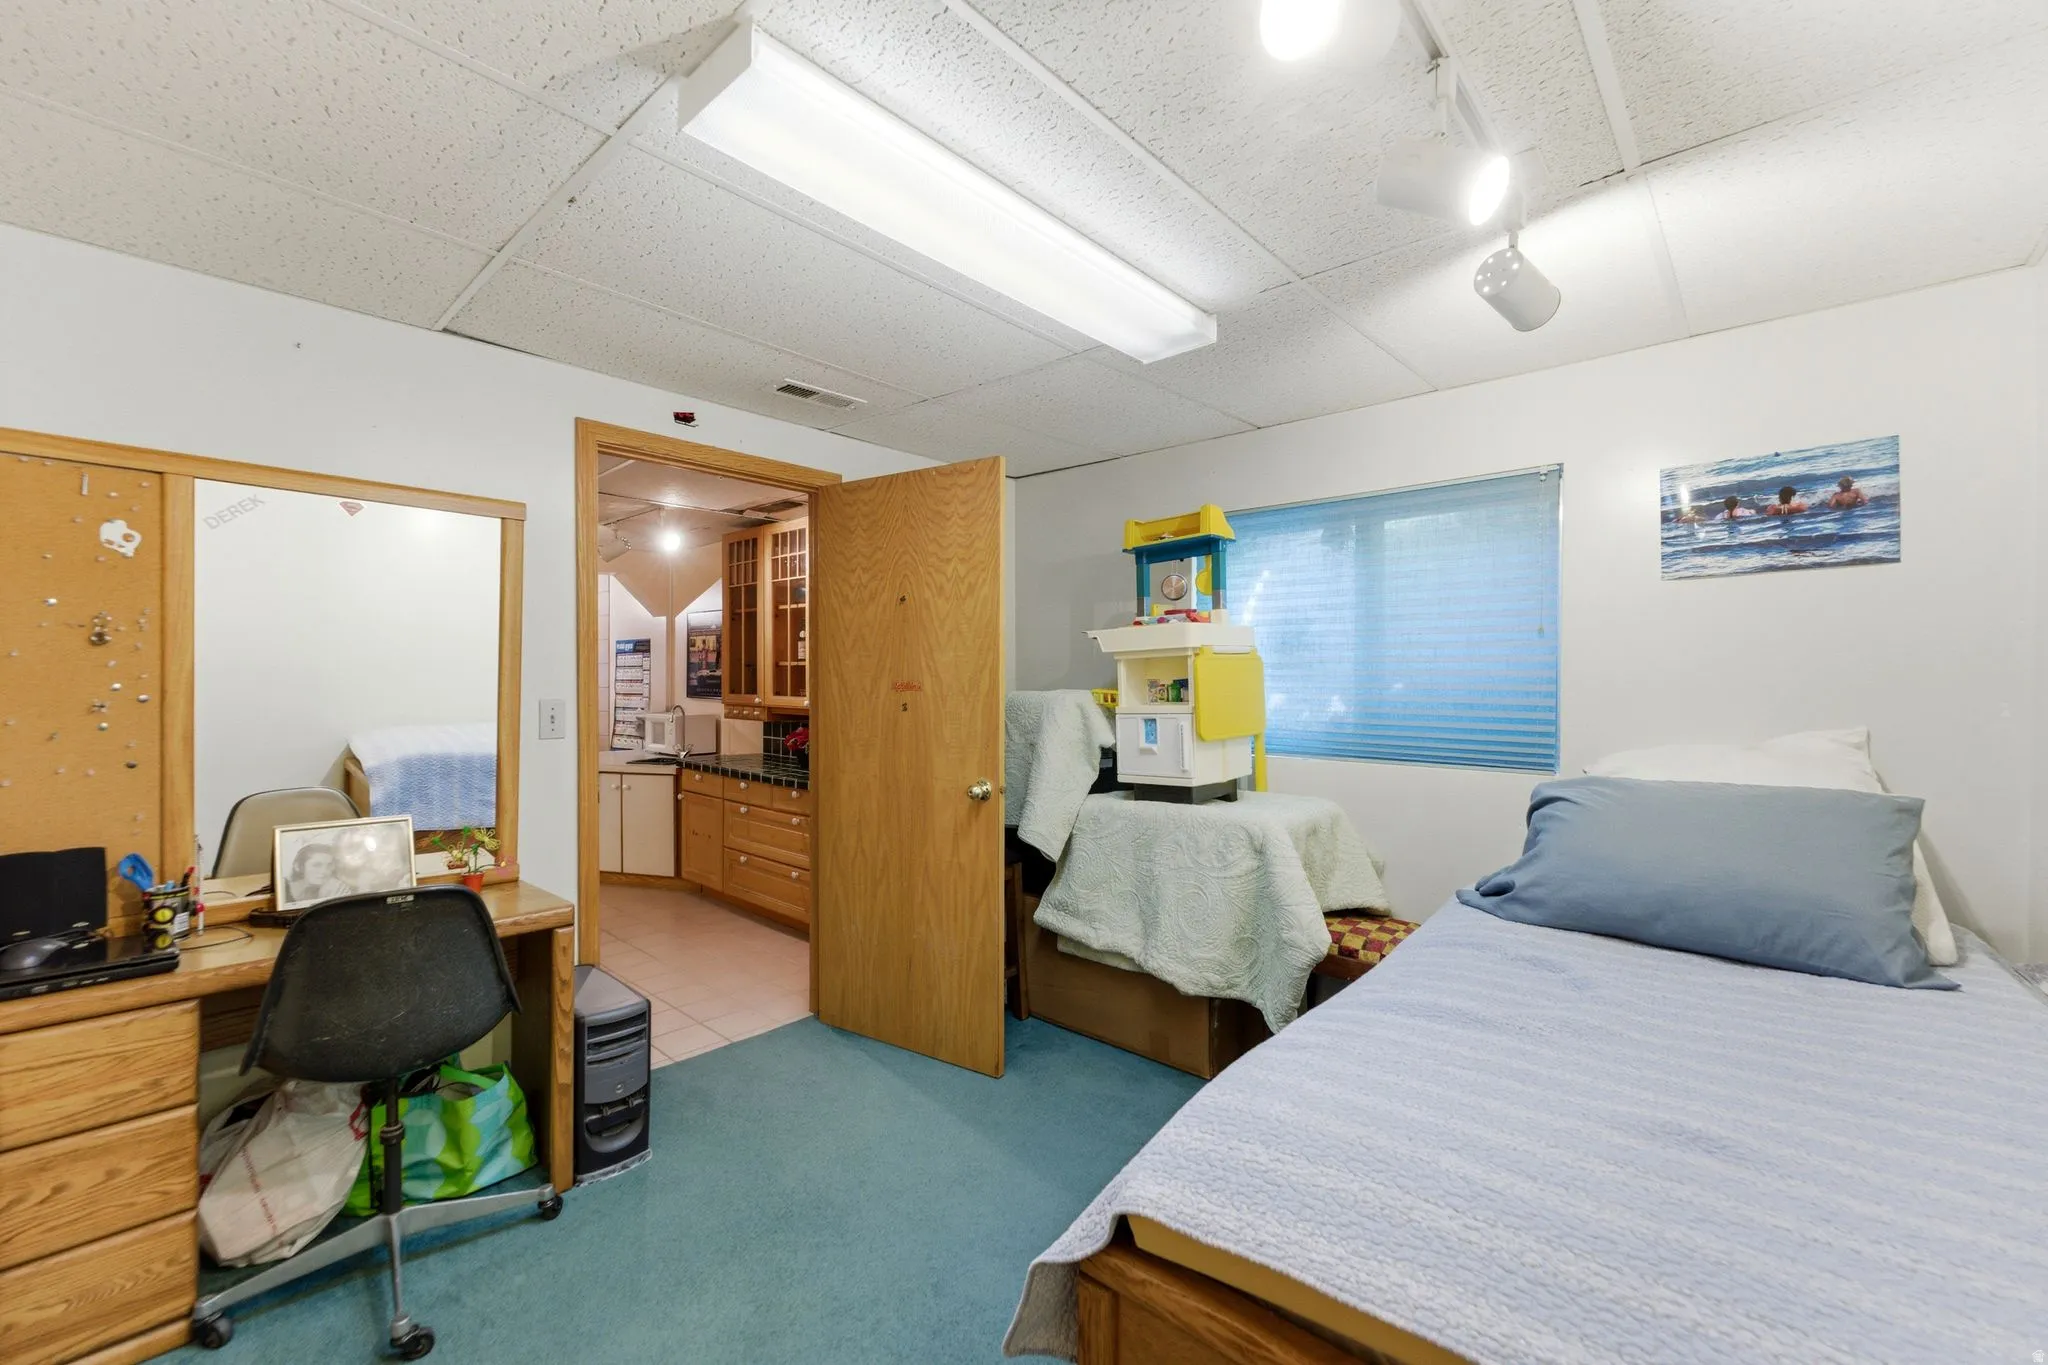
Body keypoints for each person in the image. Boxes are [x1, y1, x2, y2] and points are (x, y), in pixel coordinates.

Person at [286, 843, 351, 906]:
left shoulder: (336, 887)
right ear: (298, 866)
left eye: (329, 865)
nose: (324, 871)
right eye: (316, 865)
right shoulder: (283, 890)